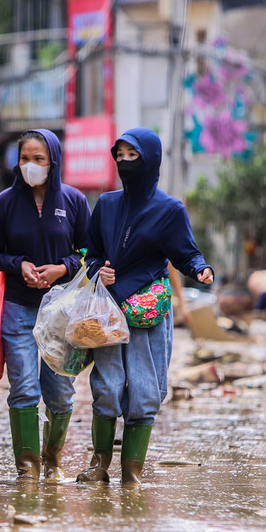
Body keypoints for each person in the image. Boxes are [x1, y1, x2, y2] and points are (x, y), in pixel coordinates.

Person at [78, 128, 214, 485]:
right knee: (106, 387)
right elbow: (89, 252)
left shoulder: (169, 210)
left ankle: (131, 473)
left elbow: (187, 252)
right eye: (119, 155)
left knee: (144, 390)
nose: (124, 162)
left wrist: (201, 270)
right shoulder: (106, 205)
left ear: (150, 159)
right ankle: (98, 466)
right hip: (106, 312)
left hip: (147, 312)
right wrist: (97, 269)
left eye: (132, 155)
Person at [0, 129, 90, 481]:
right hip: (18, 304)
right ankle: (27, 468)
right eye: (24, 158)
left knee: (60, 392)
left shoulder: (74, 201)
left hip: (63, 311)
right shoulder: (4, 203)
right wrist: (18, 265)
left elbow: (89, 253)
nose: (30, 166)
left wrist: (63, 267)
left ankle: (52, 460)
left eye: (38, 159)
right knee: (25, 387)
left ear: (53, 162)